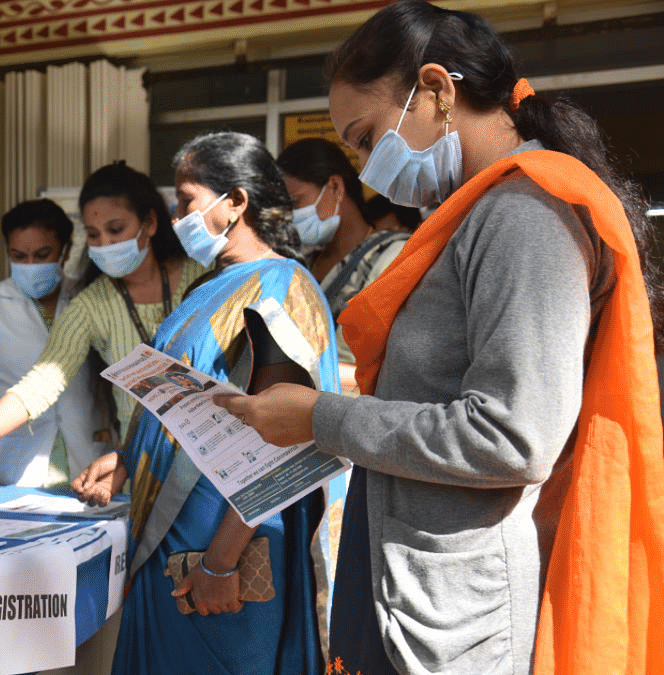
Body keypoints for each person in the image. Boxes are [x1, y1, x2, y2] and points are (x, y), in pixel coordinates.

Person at [213, 2, 664, 674]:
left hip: (459, 619)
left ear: (436, 90)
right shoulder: (477, 213)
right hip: (421, 592)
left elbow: (513, 436)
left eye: (367, 138)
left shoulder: (524, 216)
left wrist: (321, 417)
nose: (368, 170)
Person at [73, 131, 341, 675]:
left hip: (228, 548)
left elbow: (283, 441)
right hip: (169, 535)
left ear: (235, 202)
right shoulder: (208, 288)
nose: (176, 218)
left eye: (186, 200)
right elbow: (183, 401)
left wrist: (220, 563)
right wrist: (128, 459)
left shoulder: (280, 286)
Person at [0, 162, 206, 496]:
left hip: (214, 455)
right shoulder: (92, 304)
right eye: (94, 235)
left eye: (116, 229)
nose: (106, 244)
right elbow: (40, 384)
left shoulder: (204, 276)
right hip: (141, 468)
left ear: (150, 223)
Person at [0, 199, 110, 487]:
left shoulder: (89, 300)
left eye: (42, 255)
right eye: (19, 256)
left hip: (86, 462)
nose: (30, 265)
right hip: (7, 470)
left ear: (66, 250)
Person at [277, 138, 410, 393]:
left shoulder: (390, 256)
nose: (289, 217)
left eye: (295, 202)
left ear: (335, 187)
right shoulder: (304, 264)